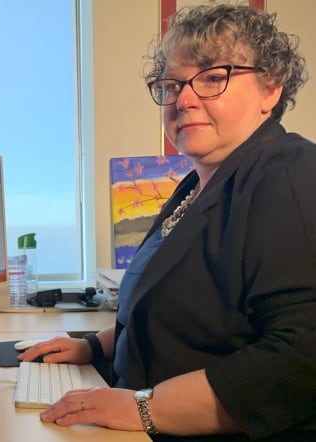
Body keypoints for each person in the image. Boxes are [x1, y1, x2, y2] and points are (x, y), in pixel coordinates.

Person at [19, 4, 315, 441]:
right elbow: (177, 310)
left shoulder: (288, 172)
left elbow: (301, 353)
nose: (184, 99)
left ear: (271, 89)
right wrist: (93, 347)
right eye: (172, 84)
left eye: (214, 78)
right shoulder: (198, 184)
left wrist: (145, 407)